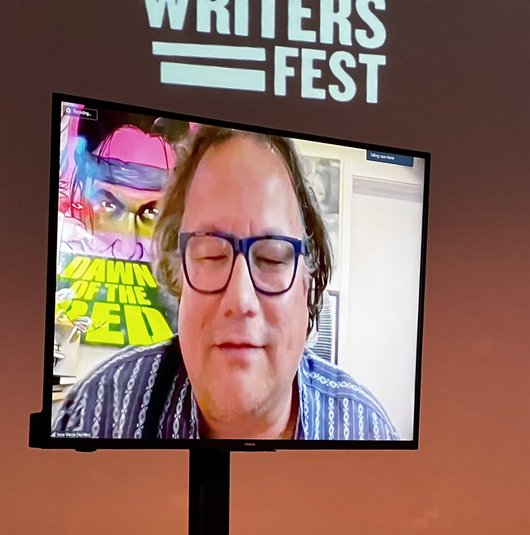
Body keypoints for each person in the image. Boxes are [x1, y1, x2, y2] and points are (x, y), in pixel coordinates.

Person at [54, 125, 398, 440]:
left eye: (272, 258)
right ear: (179, 278)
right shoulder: (98, 415)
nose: (241, 300)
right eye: (211, 255)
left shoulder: (369, 435)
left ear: (305, 288)